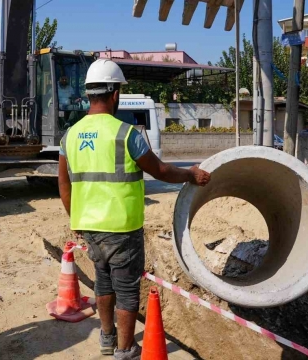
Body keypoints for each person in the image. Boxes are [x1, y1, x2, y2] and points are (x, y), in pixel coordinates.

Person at [58, 59, 210, 360]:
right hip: (122, 228)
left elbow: (64, 185)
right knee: (127, 291)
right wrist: (190, 174)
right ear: (115, 93)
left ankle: (107, 339)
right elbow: (161, 171)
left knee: (103, 281)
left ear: (89, 93)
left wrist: (76, 218)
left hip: (89, 227)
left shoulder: (70, 135)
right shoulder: (127, 134)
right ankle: (125, 350)